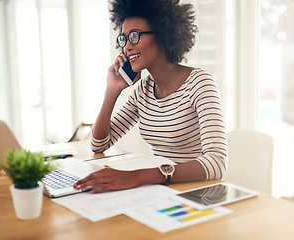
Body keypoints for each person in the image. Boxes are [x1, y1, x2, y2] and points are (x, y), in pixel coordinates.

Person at [74, 0, 227, 194]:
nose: (127, 47)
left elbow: (217, 163)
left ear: (164, 35)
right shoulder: (144, 90)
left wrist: (138, 176)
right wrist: (112, 91)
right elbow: (99, 144)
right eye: (124, 39)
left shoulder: (200, 83)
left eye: (135, 36)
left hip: (198, 195)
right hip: (163, 192)